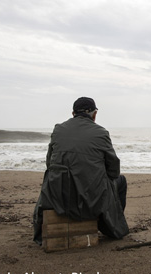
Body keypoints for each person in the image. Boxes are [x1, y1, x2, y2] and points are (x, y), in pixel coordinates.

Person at [33, 97, 129, 244]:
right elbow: (113, 169)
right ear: (94, 114)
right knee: (120, 181)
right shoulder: (101, 133)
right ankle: (109, 226)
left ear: (73, 113)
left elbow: (49, 163)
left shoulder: (58, 129)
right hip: (90, 199)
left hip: (57, 197)